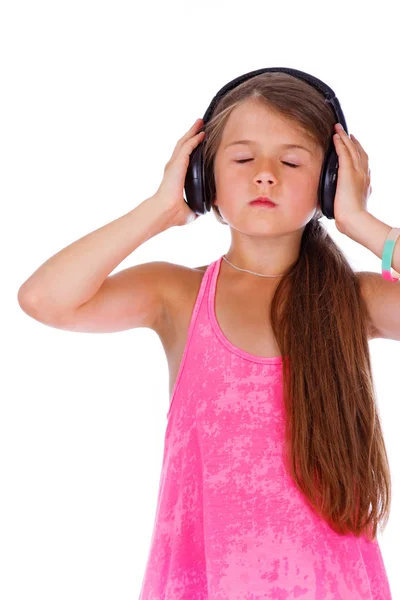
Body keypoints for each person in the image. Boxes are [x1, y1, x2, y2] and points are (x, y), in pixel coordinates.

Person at [18, 72, 394, 598]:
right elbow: (44, 299)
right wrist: (159, 210)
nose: (265, 176)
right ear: (202, 178)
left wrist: (359, 220)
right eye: (243, 160)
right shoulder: (177, 295)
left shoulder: (353, 302)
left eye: (291, 161)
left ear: (329, 181)